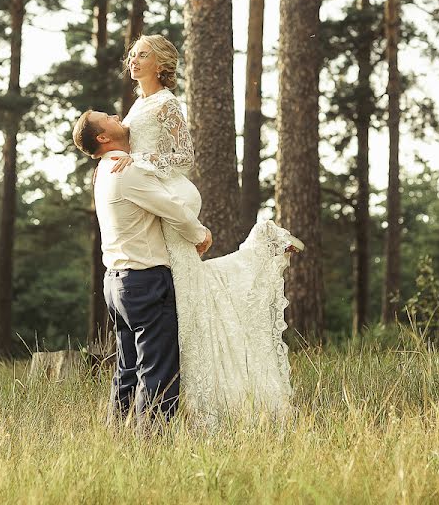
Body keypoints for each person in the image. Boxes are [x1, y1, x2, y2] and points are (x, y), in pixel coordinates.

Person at [112, 34, 303, 426]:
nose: (133, 60)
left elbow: (185, 156)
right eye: (132, 55)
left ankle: (200, 402)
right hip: (153, 195)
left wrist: (137, 160)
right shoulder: (138, 104)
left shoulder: (167, 103)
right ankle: (167, 401)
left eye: (142, 54)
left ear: (161, 64)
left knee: (184, 291)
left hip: (173, 195)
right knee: (185, 290)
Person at [72, 109, 212, 429]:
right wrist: (200, 235)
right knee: (159, 372)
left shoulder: (107, 171)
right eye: (106, 117)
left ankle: (120, 439)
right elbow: (172, 209)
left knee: (129, 369)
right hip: (144, 279)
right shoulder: (126, 171)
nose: (114, 114)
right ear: (103, 137)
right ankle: (151, 448)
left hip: (118, 282)